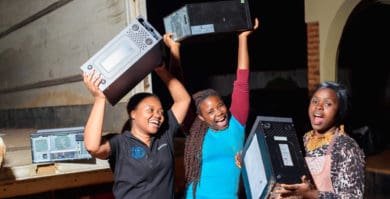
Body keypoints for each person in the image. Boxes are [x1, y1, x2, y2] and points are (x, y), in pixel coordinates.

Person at [82, 34, 191, 199]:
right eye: (150, 110)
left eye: (161, 112)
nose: (158, 115)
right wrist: (99, 99)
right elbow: (92, 146)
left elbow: (183, 100)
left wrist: (161, 70)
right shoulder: (120, 143)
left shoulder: (164, 135)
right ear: (133, 113)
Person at [182, 18, 259, 199]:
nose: (219, 113)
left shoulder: (236, 123)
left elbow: (242, 82)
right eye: (210, 111)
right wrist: (174, 51)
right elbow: (180, 98)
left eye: (220, 105)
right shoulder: (195, 132)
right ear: (201, 117)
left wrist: (242, 38)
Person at [277, 81, 365, 199]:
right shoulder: (304, 139)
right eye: (315, 101)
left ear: (339, 111)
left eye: (328, 104)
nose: (318, 106)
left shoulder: (346, 147)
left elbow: (353, 197)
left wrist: (312, 194)